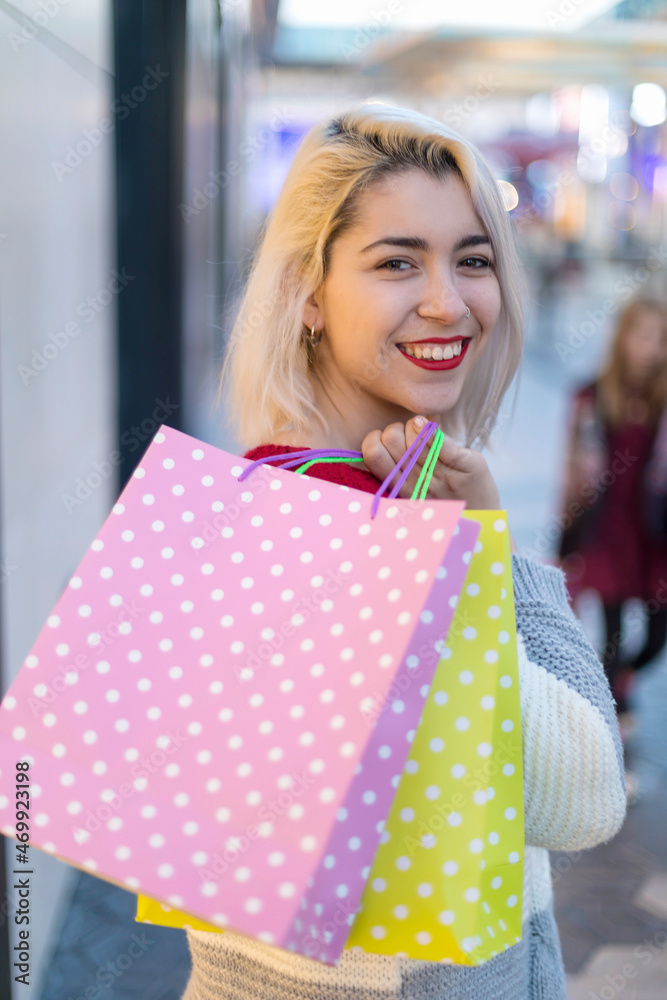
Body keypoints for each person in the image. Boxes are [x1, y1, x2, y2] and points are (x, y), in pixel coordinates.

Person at [181, 104, 627, 1000]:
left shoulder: (261, 500)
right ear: (308, 293)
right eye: (396, 263)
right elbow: (583, 797)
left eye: (472, 258)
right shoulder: (326, 532)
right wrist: (484, 548)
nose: (447, 301)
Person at [557, 298, 667, 721]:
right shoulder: (593, 397)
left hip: (654, 536)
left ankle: (620, 683)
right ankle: (608, 716)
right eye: (642, 335)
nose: (651, 348)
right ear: (622, 338)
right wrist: (568, 537)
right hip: (607, 531)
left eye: (660, 338)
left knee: (657, 640)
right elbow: (571, 475)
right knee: (613, 633)